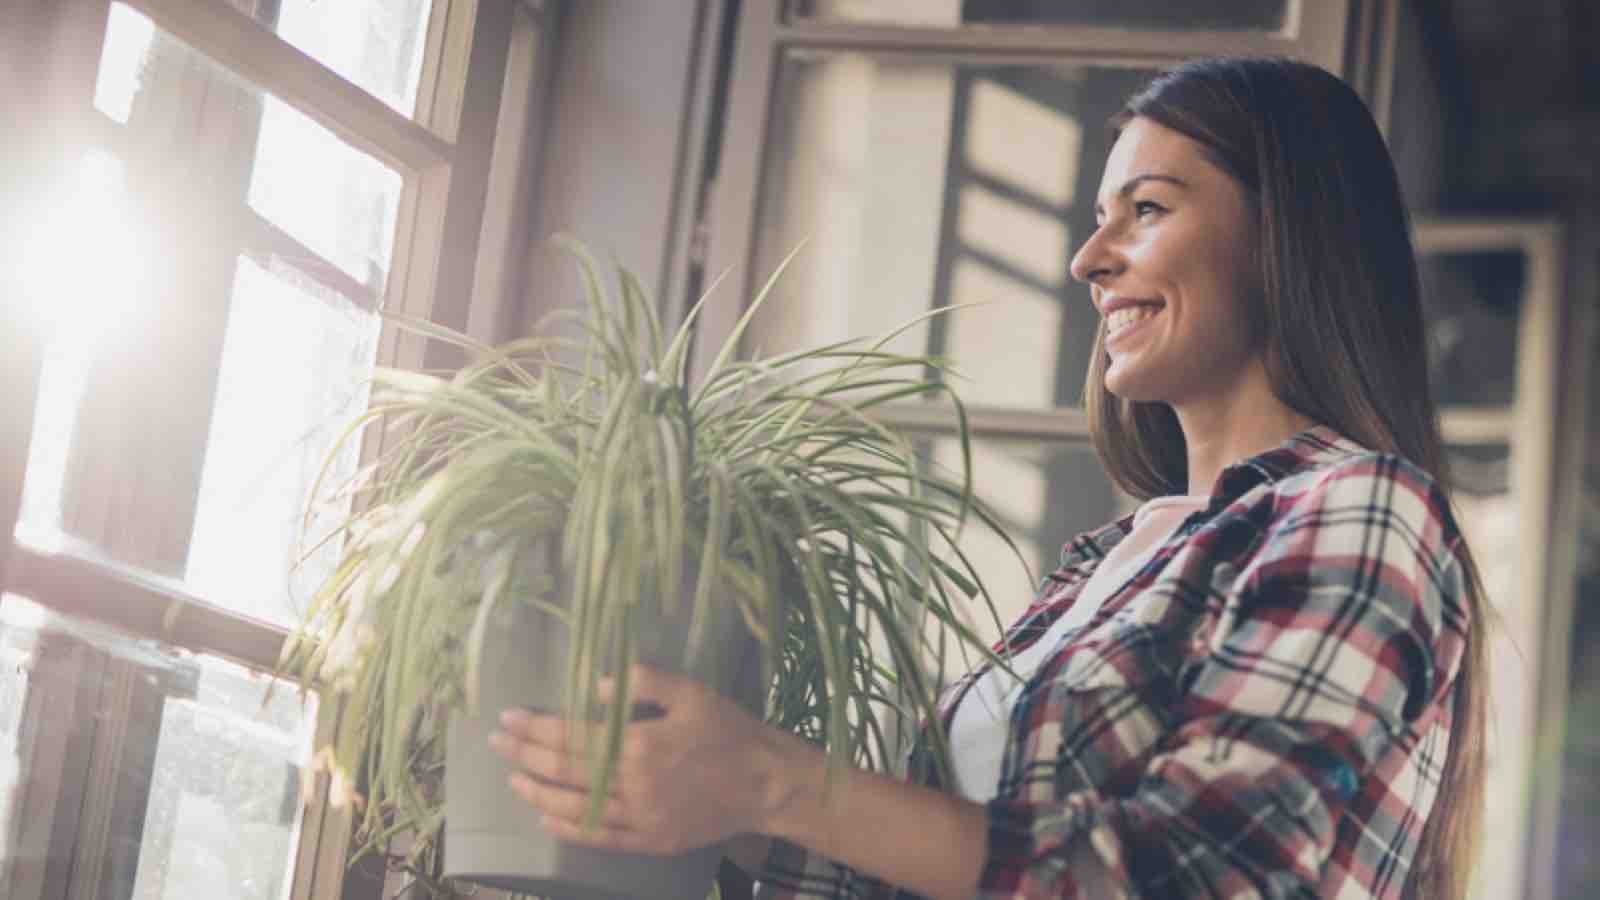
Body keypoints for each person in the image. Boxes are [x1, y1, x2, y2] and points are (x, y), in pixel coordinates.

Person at [486, 56, 1488, 899]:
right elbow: (939, 870)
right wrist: (687, 782)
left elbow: (1198, 876)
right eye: (1099, 217)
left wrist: (768, 782)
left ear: (1287, 234)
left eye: (1146, 209)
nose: (1087, 259)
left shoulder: (1362, 510)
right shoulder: (1110, 561)